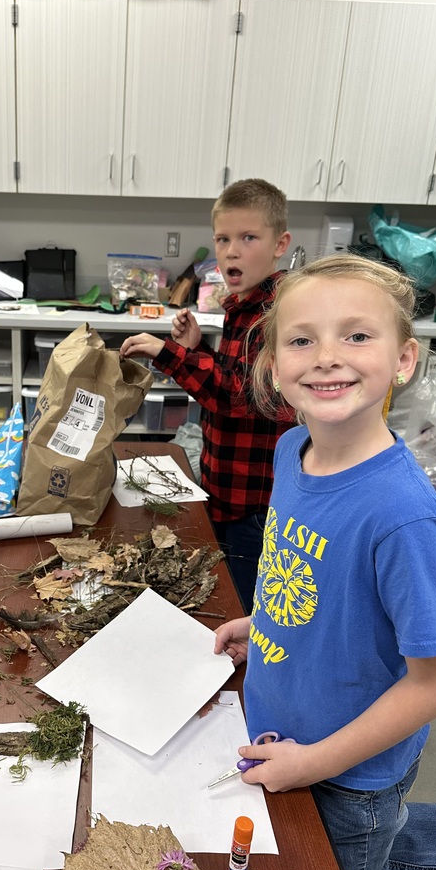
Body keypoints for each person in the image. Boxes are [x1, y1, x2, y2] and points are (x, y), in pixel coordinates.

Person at [213, 255, 436, 870]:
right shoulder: (291, 447)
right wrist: (262, 620)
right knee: (360, 846)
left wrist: (315, 764)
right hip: (293, 729)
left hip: (350, 768)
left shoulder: (401, 518)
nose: (327, 357)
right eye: (302, 339)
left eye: (357, 336)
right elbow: (302, 571)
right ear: (272, 365)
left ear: (404, 360)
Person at [120, 178, 294, 611]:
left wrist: (171, 353)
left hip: (252, 506)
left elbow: (237, 396)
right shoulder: (243, 305)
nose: (231, 250)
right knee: (226, 584)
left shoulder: (278, 315)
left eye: (248, 237)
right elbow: (236, 375)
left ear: (280, 244)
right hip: (225, 490)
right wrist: (198, 349)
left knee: (244, 603)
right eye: (222, 239)